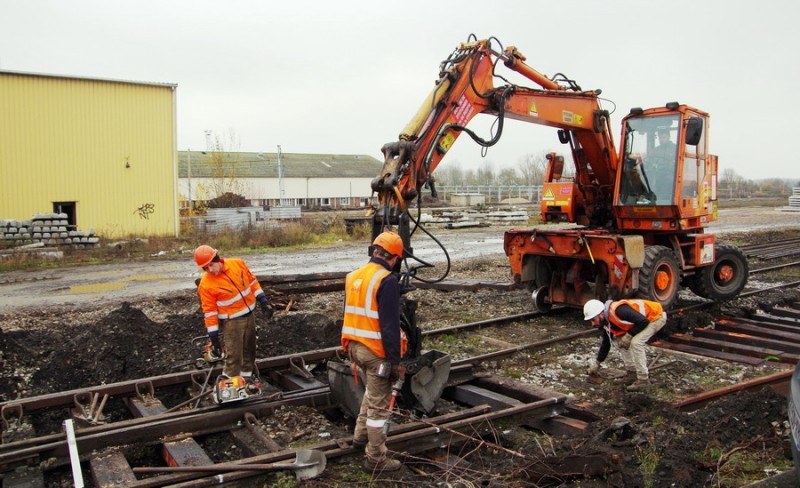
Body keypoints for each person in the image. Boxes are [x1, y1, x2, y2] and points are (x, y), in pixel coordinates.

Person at [341, 231, 408, 472]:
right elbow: (389, 326)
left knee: (371, 393)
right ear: (395, 258)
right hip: (375, 352)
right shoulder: (386, 280)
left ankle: (360, 439)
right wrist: (394, 363)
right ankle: (375, 459)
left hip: (355, 348)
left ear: (375, 251)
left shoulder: (353, 276)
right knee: (379, 408)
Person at [194, 245, 274, 387]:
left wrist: (263, 301)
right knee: (234, 357)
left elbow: (252, 282)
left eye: (211, 265)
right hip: (232, 322)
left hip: (250, 315)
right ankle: (228, 388)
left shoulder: (237, 264)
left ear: (217, 259)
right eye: (205, 268)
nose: (210, 270)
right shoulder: (206, 285)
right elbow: (210, 312)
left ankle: (246, 381)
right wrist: (214, 337)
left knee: (249, 351)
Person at [583, 298, 667, 392]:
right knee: (622, 342)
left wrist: (629, 335)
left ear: (601, 314)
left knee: (636, 343)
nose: (592, 324)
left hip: (655, 317)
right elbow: (606, 344)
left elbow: (643, 321)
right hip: (644, 320)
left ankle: (643, 380)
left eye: (593, 320)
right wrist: (597, 363)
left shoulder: (619, 310)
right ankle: (632, 373)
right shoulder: (606, 322)